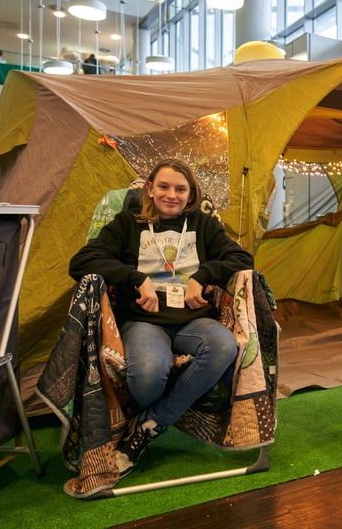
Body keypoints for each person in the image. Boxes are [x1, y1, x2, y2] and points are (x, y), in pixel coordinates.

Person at [68, 158, 253, 477]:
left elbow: (241, 257)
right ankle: (162, 412)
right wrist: (135, 278)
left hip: (193, 321)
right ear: (150, 190)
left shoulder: (202, 224)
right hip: (144, 321)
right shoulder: (128, 223)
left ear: (190, 194)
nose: (172, 194)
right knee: (148, 376)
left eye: (181, 189)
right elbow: (82, 261)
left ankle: (148, 427)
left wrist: (204, 274)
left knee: (223, 344)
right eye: (164, 187)